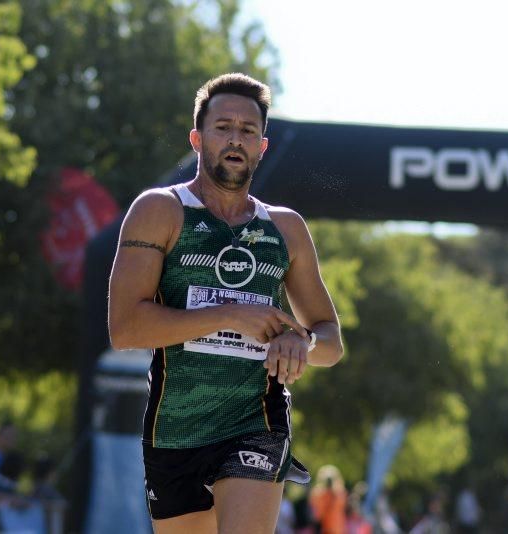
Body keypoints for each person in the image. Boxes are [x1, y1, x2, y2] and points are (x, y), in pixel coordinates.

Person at [108, 72, 344, 534]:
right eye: (223, 127)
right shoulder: (160, 211)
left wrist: (304, 345)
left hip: (256, 422)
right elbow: (125, 329)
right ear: (197, 138)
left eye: (248, 131)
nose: (235, 139)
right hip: (174, 431)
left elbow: (330, 339)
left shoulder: (285, 228)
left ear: (263, 147)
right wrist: (232, 315)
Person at [309, 464, 348, 534]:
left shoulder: (340, 493)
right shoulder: (318, 493)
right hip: (323, 529)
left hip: (337, 529)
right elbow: (317, 514)